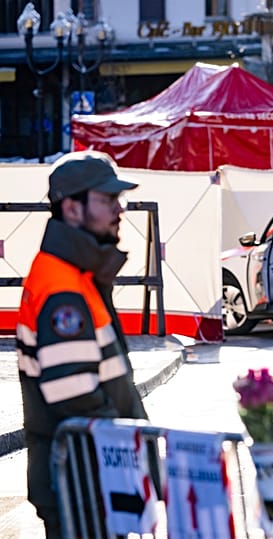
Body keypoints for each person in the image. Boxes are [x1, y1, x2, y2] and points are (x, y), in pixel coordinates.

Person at [16, 151, 148, 538]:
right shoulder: (62, 288)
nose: (119, 210)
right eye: (108, 200)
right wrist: (129, 448)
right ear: (72, 208)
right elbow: (73, 391)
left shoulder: (74, 275)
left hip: (84, 479)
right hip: (82, 481)